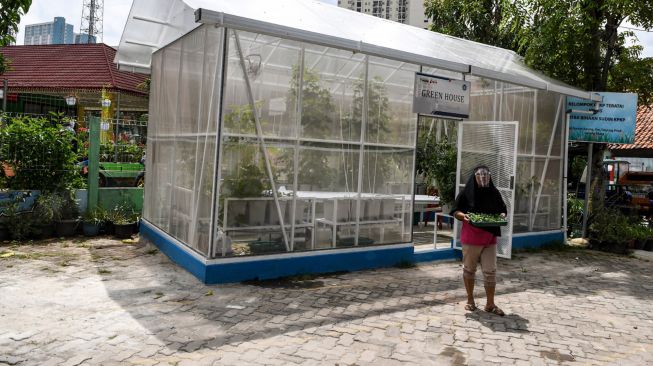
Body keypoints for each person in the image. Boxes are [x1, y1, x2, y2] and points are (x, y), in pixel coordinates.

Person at [450, 165, 507, 316]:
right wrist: (463, 216)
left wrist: (501, 215)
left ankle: (490, 303)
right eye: (480, 176)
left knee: (490, 271)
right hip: (471, 238)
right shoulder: (466, 193)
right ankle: (470, 300)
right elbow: (455, 210)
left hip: (490, 237)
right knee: (469, 269)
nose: (483, 179)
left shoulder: (494, 193)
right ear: (474, 177)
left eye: (486, 176)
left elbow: (503, 209)